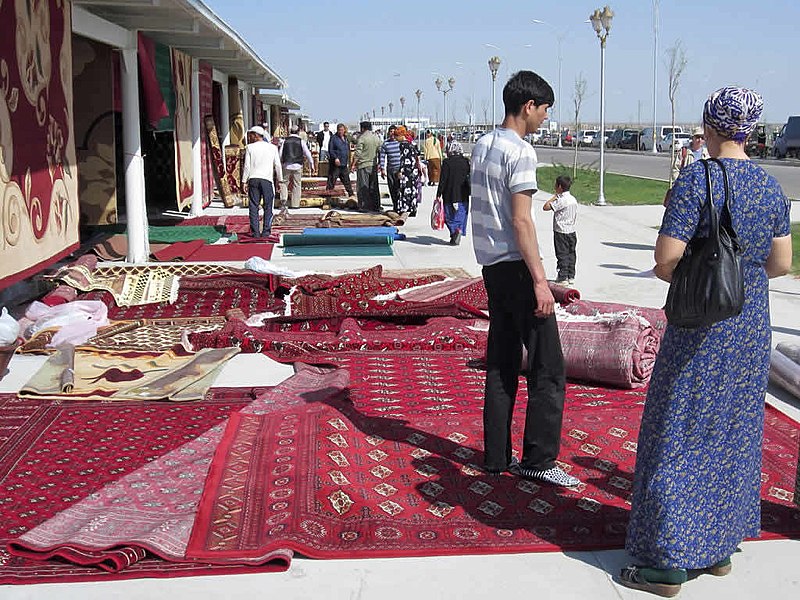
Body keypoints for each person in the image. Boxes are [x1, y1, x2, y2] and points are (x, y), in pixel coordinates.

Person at [620, 87, 792, 597]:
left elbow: (667, 260)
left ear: (709, 126)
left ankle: (669, 560)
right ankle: (717, 548)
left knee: (678, 429)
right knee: (733, 432)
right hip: (750, 325)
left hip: (701, 328)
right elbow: (781, 264)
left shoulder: (698, 179)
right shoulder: (769, 185)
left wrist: (702, 273)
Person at [470, 70, 580, 488]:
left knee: (500, 364)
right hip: (516, 266)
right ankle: (539, 457)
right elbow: (521, 221)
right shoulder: (522, 152)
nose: (546, 118)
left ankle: (496, 456)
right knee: (548, 367)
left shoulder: (481, 145)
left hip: (492, 268)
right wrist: (540, 280)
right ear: (528, 106)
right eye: (545, 110)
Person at [241, 126, 282, 239]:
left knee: (254, 206)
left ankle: (255, 232)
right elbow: (277, 165)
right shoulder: (272, 148)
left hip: (254, 179)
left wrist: (244, 181)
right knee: (268, 206)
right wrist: (280, 179)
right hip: (266, 180)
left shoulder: (249, 148)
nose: (249, 137)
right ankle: (266, 231)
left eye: (251, 135)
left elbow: (247, 167)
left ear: (256, 135)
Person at [543, 175, 578, 285]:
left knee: (562, 254)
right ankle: (570, 275)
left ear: (559, 187)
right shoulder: (573, 199)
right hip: (571, 230)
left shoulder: (562, 200)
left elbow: (546, 207)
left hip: (561, 231)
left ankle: (563, 277)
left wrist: (554, 197)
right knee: (571, 253)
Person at [436, 141, 470, 245]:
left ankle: (455, 231)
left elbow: (443, 179)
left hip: (449, 194)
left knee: (448, 216)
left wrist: (439, 193)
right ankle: (458, 230)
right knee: (461, 215)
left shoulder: (447, 162)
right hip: (463, 194)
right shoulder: (466, 161)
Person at [279, 125, 314, 208]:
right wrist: (311, 164)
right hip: (297, 165)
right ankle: (295, 204)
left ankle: (283, 201)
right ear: (298, 132)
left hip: (286, 165)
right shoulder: (301, 141)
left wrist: (279, 163)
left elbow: (280, 153)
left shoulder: (285, 141)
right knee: (297, 184)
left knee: (284, 183)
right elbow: (307, 153)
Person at [352, 121, 382, 212]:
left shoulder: (362, 138)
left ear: (362, 128)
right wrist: (380, 162)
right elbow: (381, 150)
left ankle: (364, 206)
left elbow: (357, 153)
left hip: (363, 165)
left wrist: (353, 164)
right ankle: (376, 205)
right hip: (373, 165)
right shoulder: (376, 137)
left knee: (363, 186)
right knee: (374, 186)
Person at [395, 126, 422, 216]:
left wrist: (400, 171)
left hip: (406, 171)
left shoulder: (403, 145)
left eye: (396, 136)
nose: (395, 139)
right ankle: (413, 207)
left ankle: (404, 207)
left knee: (404, 189)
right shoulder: (412, 143)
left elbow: (402, 159)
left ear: (400, 135)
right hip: (413, 170)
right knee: (413, 189)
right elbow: (418, 155)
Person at [326, 123, 354, 197]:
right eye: (339, 130)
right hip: (336, 164)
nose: (340, 131)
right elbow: (331, 150)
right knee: (332, 181)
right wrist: (335, 158)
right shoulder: (333, 138)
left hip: (344, 164)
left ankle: (351, 195)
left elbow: (348, 149)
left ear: (344, 130)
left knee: (347, 181)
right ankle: (328, 196)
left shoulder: (346, 138)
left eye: (342, 130)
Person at [378, 124, 402, 211]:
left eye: (393, 132)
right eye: (390, 132)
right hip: (390, 169)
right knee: (392, 188)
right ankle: (395, 205)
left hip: (399, 169)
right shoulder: (386, 144)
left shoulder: (400, 143)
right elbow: (382, 156)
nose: (392, 133)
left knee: (399, 188)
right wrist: (382, 169)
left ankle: (400, 205)